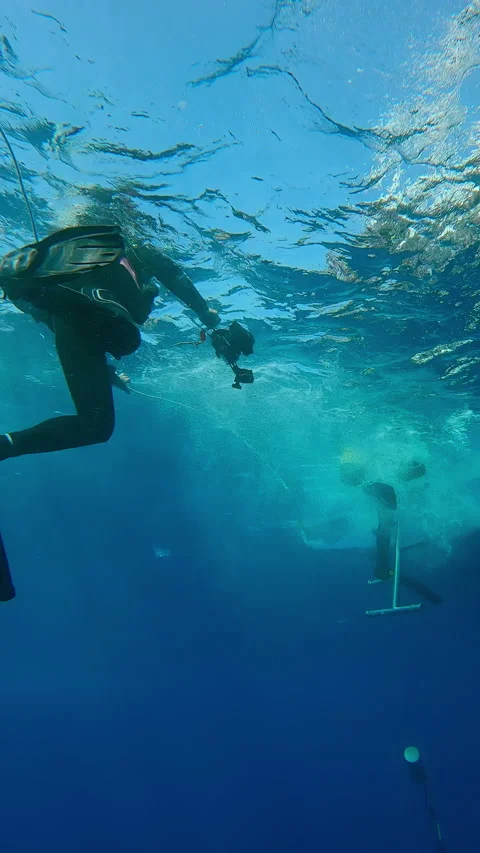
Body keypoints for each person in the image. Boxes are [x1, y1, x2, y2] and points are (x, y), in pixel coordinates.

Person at [0, 224, 220, 465]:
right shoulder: (136, 252)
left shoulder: (76, 263)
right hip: (92, 316)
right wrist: (204, 311)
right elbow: (173, 273)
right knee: (127, 339)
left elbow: (79, 332)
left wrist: (105, 372)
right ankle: (34, 292)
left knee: (97, 427)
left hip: (68, 326)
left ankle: (5, 445)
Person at [340, 454, 443, 604]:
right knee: (385, 525)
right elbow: (390, 499)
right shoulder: (387, 475)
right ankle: (384, 570)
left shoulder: (387, 473)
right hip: (379, 491)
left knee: (385, 523)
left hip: (378, 489)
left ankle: (385, 568)